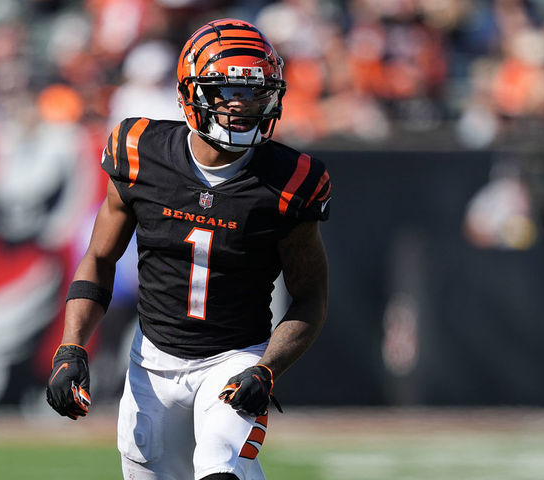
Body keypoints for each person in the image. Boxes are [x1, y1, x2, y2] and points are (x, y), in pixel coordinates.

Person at [46, 18, 331, 480]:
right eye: (227, 92)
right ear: (191, 93)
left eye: (254, 93)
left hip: (235, 357)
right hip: (153, 360)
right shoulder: (139, 151)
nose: (242, 107)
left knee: (221, 465)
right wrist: (71, 347)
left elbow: (311, 297)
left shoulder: (290, 180)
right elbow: (100, 258)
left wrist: (267, 368)